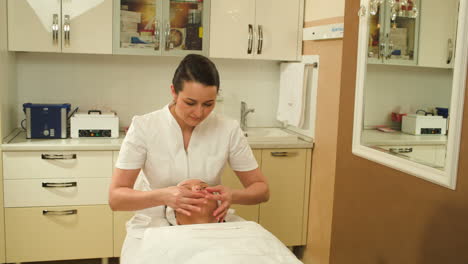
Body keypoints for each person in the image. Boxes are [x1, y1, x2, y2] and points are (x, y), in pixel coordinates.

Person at [108, 54, 270, 263]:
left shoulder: (228, 129)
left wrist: (233, 196)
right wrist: (164, 196)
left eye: (208, 104)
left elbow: (262, 190)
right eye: (190, 102)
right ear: (174, 92)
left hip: (211, 224)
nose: (199, 113)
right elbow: (116, 198)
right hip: (155, 224)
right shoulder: (144, 127)